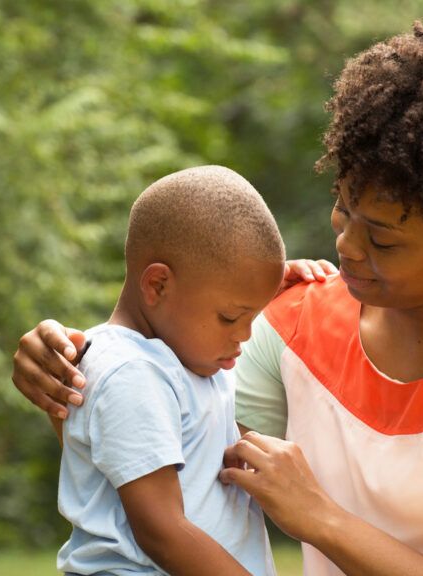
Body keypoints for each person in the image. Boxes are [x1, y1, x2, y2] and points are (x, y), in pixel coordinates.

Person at [13, 16, 423, 576]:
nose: (346, 246)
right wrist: (69, 379)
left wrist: (322, 519)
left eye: (382, 238)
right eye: (344, 210)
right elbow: (155, 459)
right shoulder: (290, 324)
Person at [54, 165, 286, 576]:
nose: (245, 335)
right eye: (231, 317)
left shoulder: (185, 356)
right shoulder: (131, 371)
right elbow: (162, 531)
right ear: (157, 285)